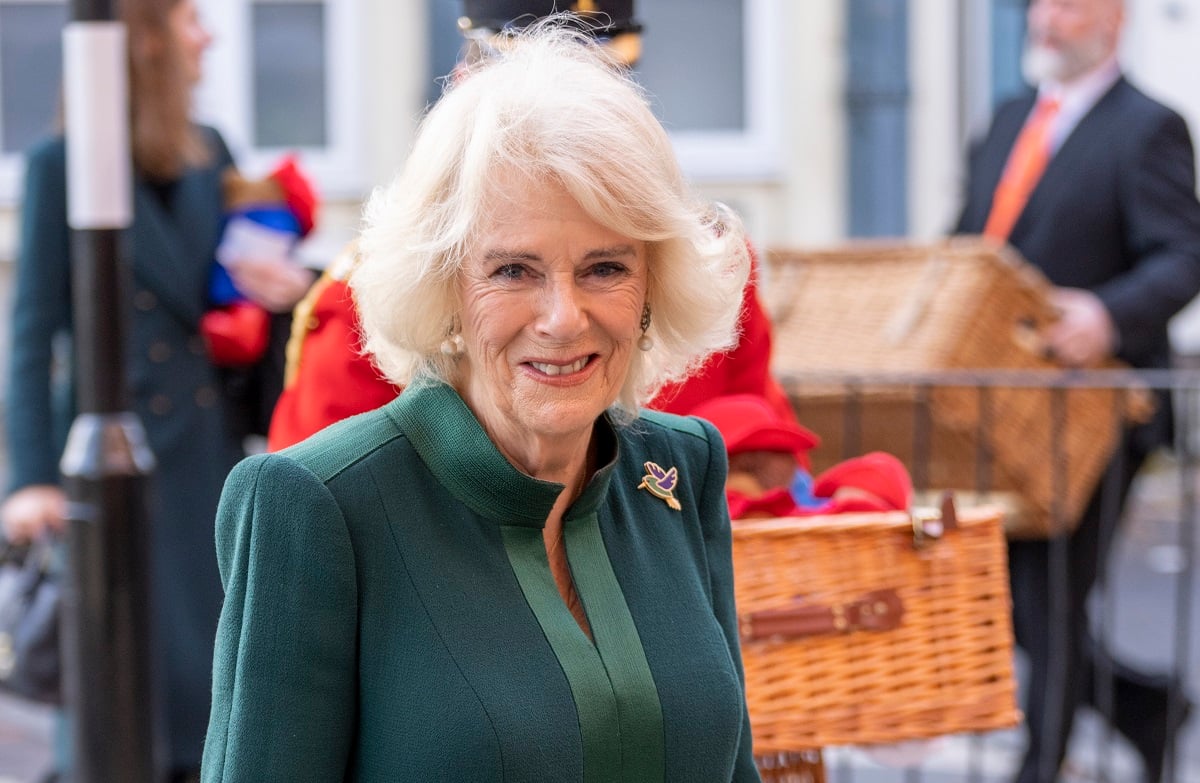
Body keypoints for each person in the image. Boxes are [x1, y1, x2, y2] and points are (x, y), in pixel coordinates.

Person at [201, 23, 760, 782]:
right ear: (446, 292)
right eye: (513, 270)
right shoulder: (316, 504)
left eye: (603, 267)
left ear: (654, 287)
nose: (562, 316)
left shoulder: (680, 469)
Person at [1, 1, 312, 779]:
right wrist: (32, 476)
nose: (206, 37)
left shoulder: (212, 153)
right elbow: (35, 328)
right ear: (143, 40)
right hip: (112, 452)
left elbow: (228, 297)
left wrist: (280, 294)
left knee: (207, 672)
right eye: (189, 20)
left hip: (202, 452)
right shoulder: (61, 162)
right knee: (120, 674)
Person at [264, 0, 796, 452]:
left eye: (598, 90)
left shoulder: (696, 262)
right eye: (513, 270)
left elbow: (754, 471)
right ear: (466, 86)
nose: (563, 319)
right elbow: (334, 506)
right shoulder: (378, 287)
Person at [954, 1, 1200, 780]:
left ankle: (1043, 764)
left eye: (1068, 5)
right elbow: (971, 241)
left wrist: (1107, 313)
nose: (1046, 20)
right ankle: (1145, 708)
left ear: (1115, 19)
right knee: (1017, 601)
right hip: (1008, 411)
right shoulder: (1007, 117)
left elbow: (1182, 255)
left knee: (1053, 594)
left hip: (1099, 411)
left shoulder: (1148, 125)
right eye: (1041, 4)